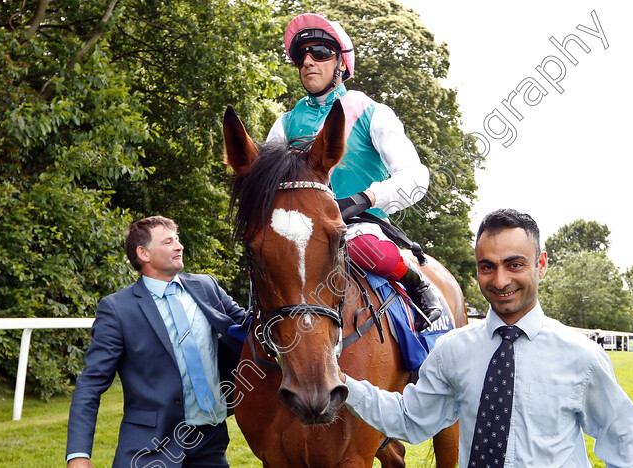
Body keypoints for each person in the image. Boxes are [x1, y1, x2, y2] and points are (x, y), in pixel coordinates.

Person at [341, 209, 633, 467]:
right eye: (487, 267)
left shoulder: (582, 357)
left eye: (514, 265)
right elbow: (409, 418)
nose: (500, 281)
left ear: (540, 264)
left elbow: (625, 447)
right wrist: (340, 382)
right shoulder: (451, 351)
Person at [266, 13, 442, 332]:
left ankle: (417, 285)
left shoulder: (371, 112)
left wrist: (367, 197)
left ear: (342, 64)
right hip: (299, 233)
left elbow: (416, 177)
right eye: (302, 55)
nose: (308, 61)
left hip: (360, 227)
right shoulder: (284, 124)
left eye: (320, 52)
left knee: (362, 249)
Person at [66, 216, 247, 468]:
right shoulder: (117, 309)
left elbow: (250, 329)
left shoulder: (207, 286)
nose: (179, 245)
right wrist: (78, 455)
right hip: (149, 446)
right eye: (168, 241)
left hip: (210, 442)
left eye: (178, 239)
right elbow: (90, 385)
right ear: (144, 253)